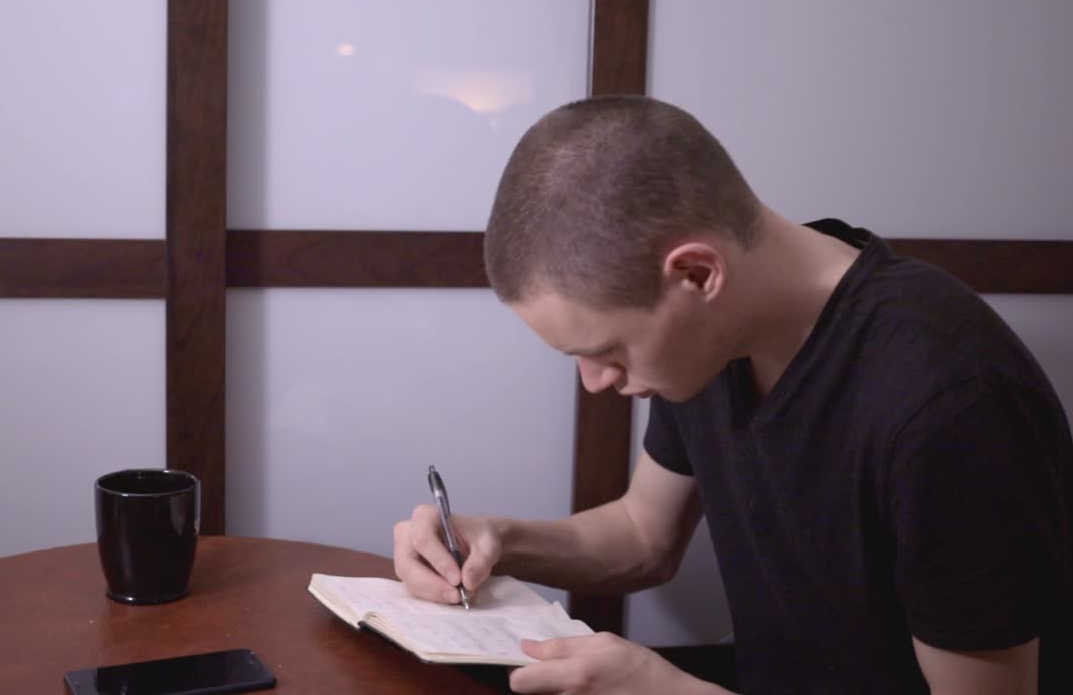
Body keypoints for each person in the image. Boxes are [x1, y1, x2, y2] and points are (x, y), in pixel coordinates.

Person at [391, 95, 1073, 694]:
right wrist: (494, 540)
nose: (598, 383)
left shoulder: (949, 406)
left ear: (695, 273)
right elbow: (642, 535)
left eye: (607, 352)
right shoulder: (716, 336)